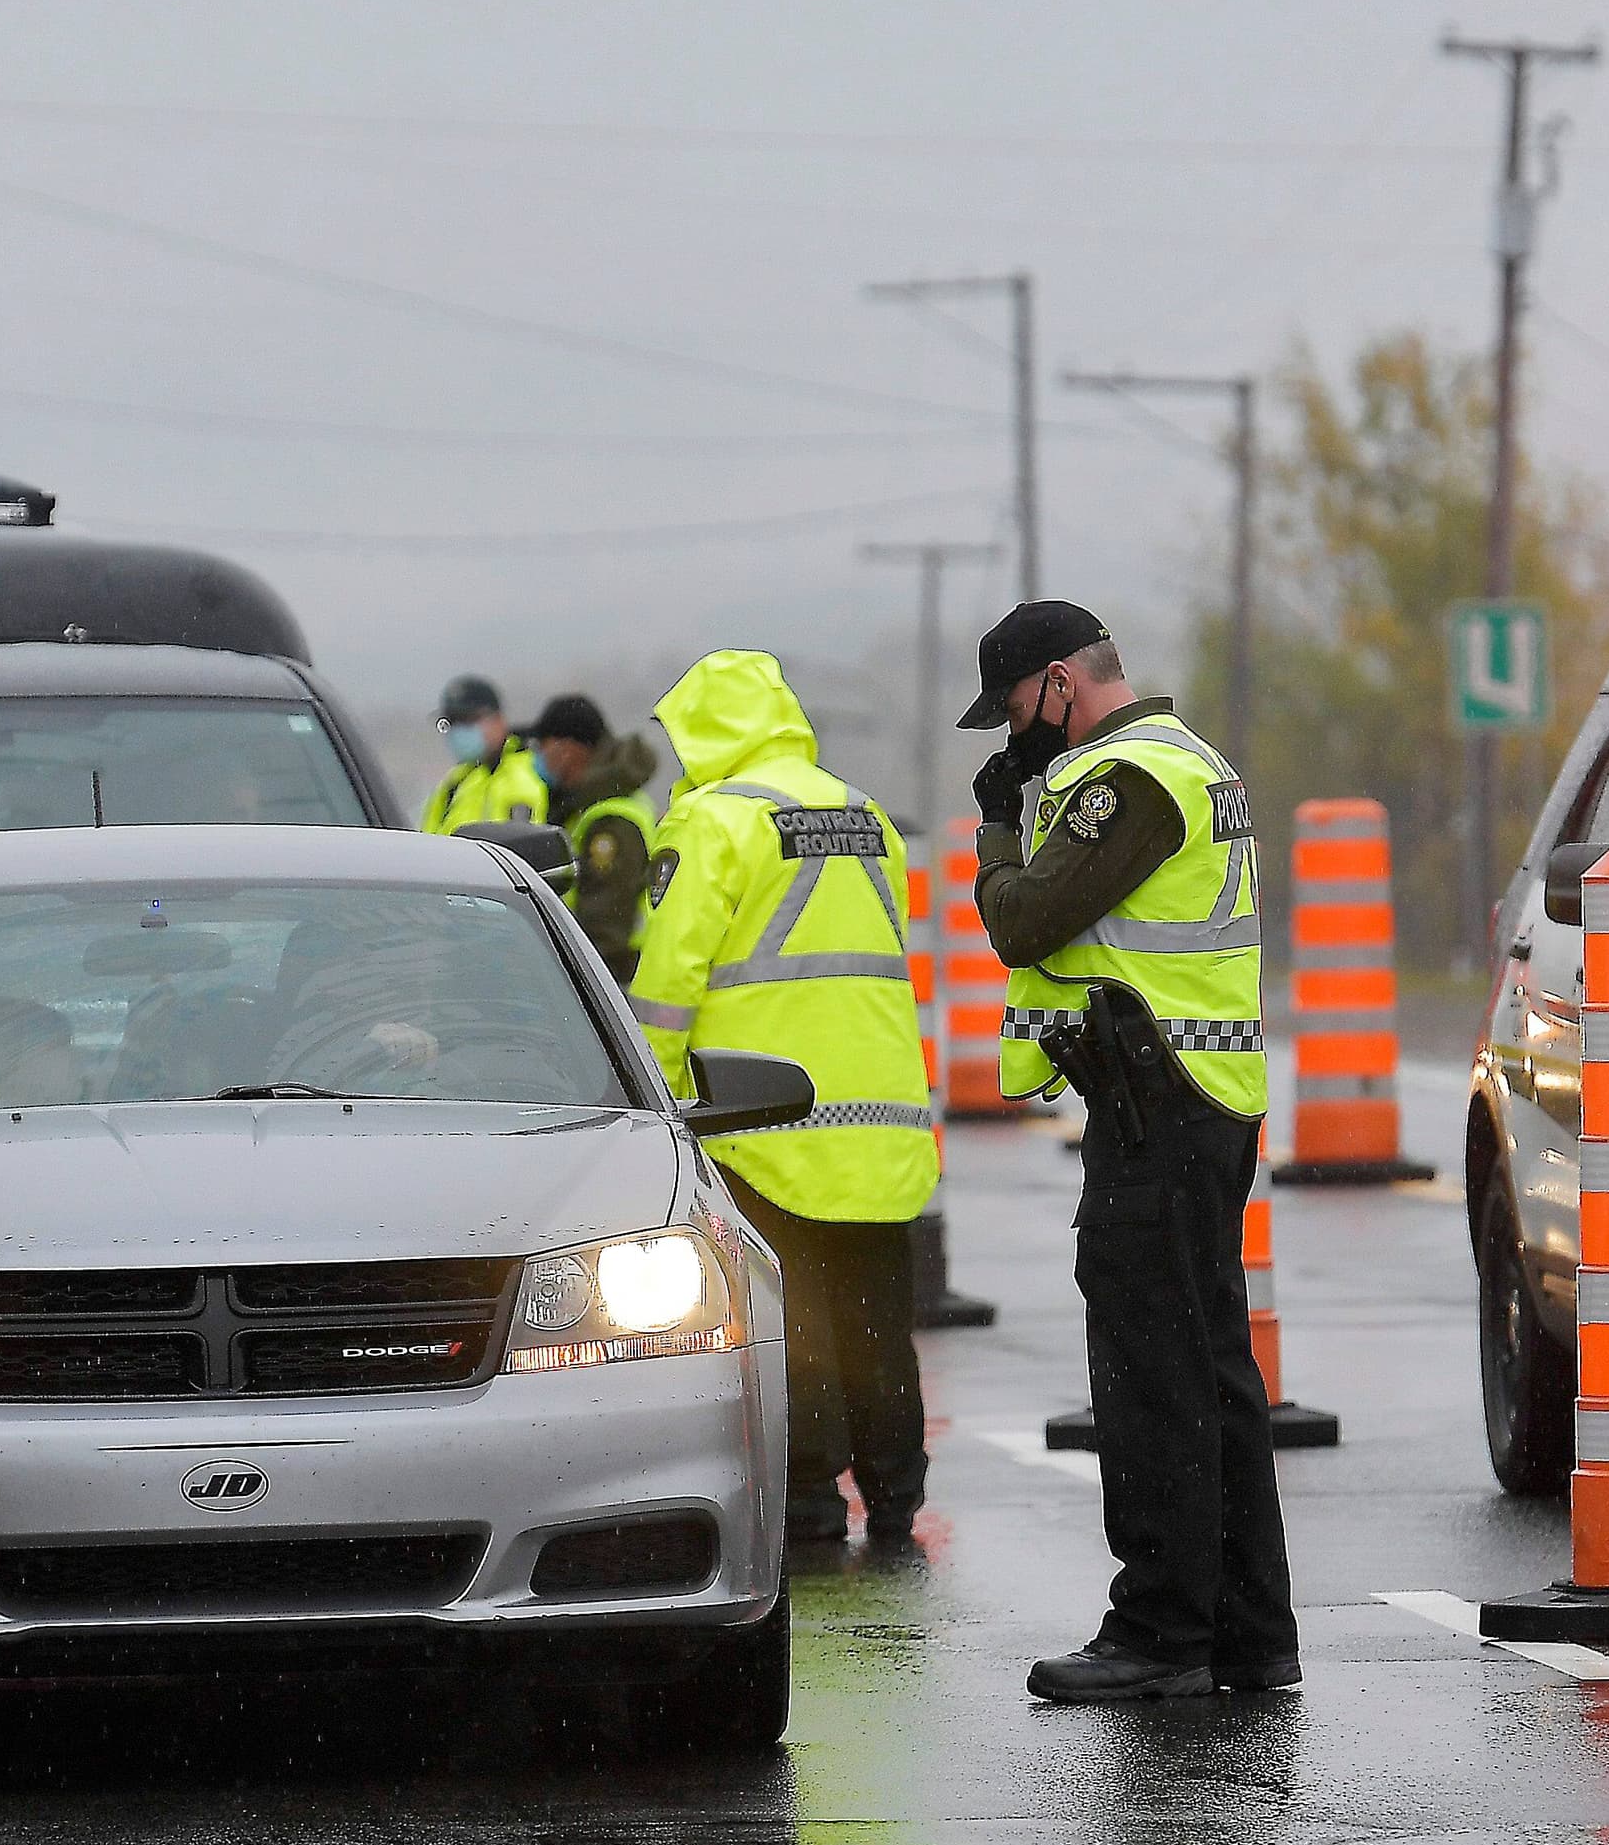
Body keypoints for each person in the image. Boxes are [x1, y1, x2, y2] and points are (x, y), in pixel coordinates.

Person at [961, 599, 1298, 1704]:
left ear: (1063, 680)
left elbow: (1024, 922)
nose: (1019, 737)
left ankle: (1159, 1630)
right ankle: (1249, 1633)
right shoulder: (1192, 762)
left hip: (1158, 1104)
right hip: (1198, 1100)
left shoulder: (1129, 781)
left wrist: (1000, 830)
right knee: (1210, 1370)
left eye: (1018, 712)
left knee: (1152, 1374)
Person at [631, 651, 937, 1552]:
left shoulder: (716, 821)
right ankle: (895, 1496)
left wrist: (640, 1097)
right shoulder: (864, 813)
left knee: (787, 1320)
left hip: (762, 1117)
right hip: (881, 1117)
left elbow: (667, 978)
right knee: (878, 1321)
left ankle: (807, 1497)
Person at [523, 691, 664, 976]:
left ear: (570, 749)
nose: (536, 755)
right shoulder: (585, 806)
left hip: (613, 976)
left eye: (543, 745)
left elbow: (605, 928)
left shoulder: (612, 821)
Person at [420, 674, 549, 836]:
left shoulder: (529, 773)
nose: (459, 730)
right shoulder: (454, 783)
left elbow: (524, 850)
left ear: (498, 720)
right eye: (452, 722)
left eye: (468, 720)